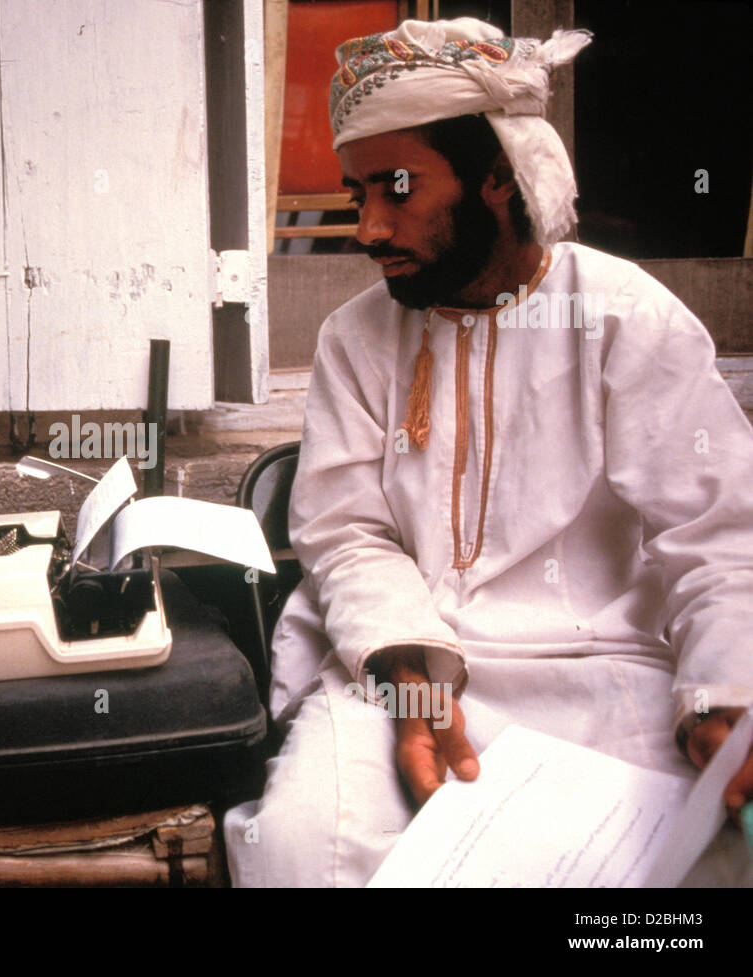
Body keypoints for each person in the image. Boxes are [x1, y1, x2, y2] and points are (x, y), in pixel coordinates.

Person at [224, 18, 753, 886]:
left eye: (396, 190)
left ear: (500, 178)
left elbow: (721, 535)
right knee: (297, 851)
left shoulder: (628, 317)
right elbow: (347, 535)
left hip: (606, 674)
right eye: (358, 196)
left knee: (700, 868)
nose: (369, 227)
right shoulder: (354, 338)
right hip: (404, 670)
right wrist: (411, 681)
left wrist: (723, 690)